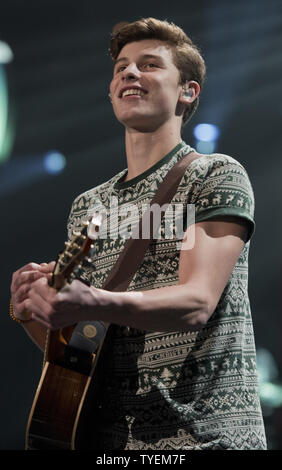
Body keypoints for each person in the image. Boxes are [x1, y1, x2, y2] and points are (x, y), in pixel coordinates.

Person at [10, 18, 267, 450]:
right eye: (122, 68)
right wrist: (34, 311)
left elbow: (196, 302)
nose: (129, 73)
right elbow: (81, 346)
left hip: (203, 436)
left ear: (188, 91)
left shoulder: (214, 174)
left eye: (149, 65)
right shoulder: (88, 206)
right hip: (111, 439)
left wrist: (95, 300)